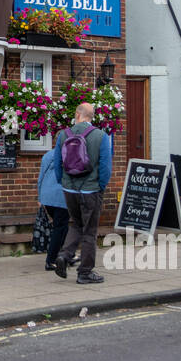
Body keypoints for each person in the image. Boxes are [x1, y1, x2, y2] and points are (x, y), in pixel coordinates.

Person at [52, 101, 112, 284]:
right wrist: (100, 186)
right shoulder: (101, 136)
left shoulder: (63, 135)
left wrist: (63, 182)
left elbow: (57, 164)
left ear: (78, 114)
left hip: (69, 189)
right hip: (90, 190)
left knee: (76, 224)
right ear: (91, 116)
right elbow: (105, 167)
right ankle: (85, 272)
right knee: (89, 231)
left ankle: (64, 256)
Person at [36, 146, 69, 271]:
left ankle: (66, 255)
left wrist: (40, 197)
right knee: (60, 227)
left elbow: (41, 177)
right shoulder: (70, 155)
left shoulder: (47, 155)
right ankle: (50, 260)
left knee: (62, 226)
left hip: (46, 195)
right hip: (61, 195)